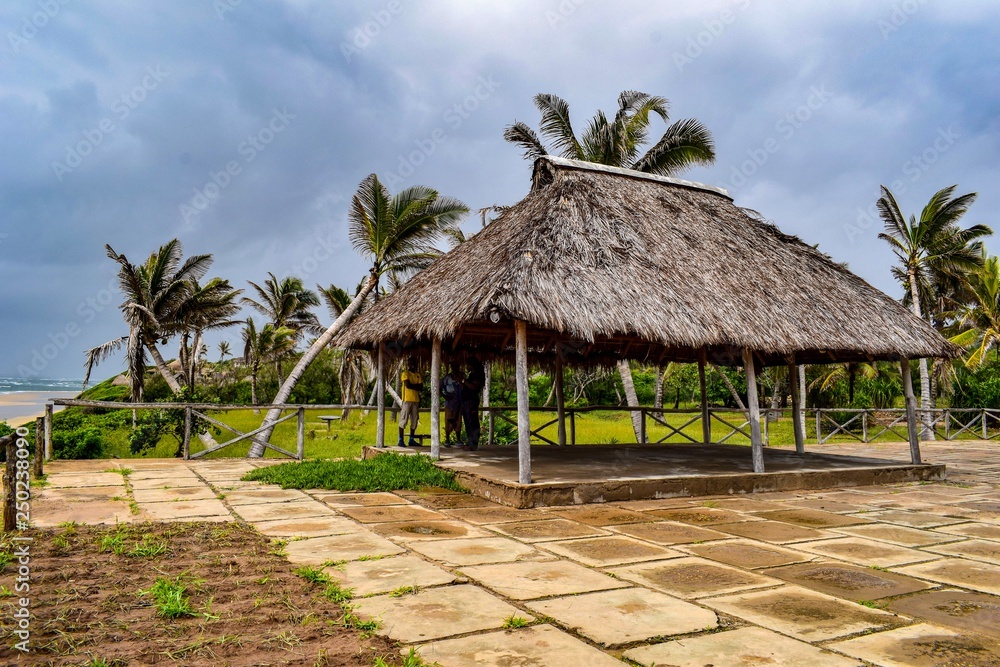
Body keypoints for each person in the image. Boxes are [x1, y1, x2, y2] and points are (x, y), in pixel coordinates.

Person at [459, 357, 485, 451]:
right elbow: (466, 387)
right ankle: (470, 442)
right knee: (467, 422)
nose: (467, 367)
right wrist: (460, 381)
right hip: (466, 401)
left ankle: (473, 444)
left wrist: (464, 380)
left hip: (471, 401)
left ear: (472, 365)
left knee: (472, 422)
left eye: (468, 365)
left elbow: (473, 387)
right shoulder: (471, 375)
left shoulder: (477, 375)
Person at [398, 358, 423, 447]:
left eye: (413, 363)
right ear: (408, 364)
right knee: (403, 420)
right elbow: (407, 385)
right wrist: (416, 386)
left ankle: (411, 440)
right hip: (407, 400)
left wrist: (414, 386)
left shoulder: (418, 375)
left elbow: (421, 388)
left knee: (414, 421)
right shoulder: (405, 374)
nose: (412, 365)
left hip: (416, 400)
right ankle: (400, 440)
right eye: (410, 363)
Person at [441, 366, 464, 447]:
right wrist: (444, 396)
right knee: (449, 420)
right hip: (449, 403)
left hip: (459, 403)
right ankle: (447, 440)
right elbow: (439, 388)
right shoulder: (446, 378)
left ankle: (458, 440)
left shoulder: (462, 376)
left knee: (458, 421)